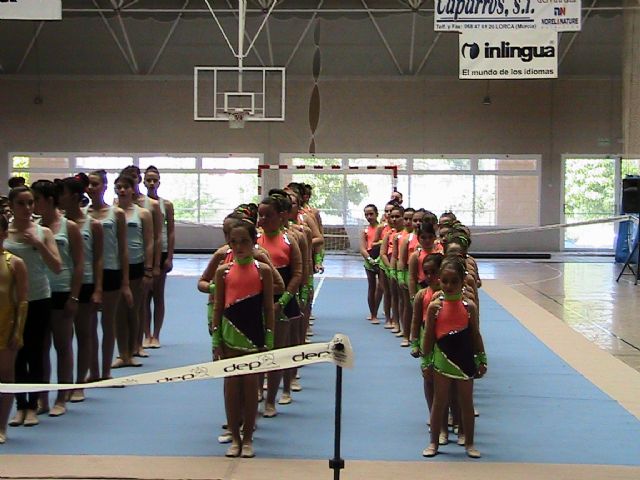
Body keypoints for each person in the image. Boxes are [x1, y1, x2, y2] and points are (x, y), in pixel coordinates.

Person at [211, 219, 274, 458]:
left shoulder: (263, 270)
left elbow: (268, 308)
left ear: (254, 242)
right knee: (231, 390)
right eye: (234, 242)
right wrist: (216, 340)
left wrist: (269, 339)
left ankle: (247, 438)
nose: (239, 247)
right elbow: (218, 307)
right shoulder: (223, 271)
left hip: (253, 337)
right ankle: (235, 438)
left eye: (244, 241)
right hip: (229, 336)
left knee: (250, 389)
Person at [5, 186, 61, 427]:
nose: (27, 208)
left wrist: (39, 244)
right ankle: (20, 406)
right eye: (21, 203)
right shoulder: (5, 233)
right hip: (10, 301)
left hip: (38, 298)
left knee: (36, 352)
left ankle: (33, 406)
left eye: (31, 203)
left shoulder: (43, 232)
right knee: (15, 353)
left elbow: (57, 266)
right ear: (11, 206)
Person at [421, 255, 487, 458]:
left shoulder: (469, 307)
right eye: (445, 281)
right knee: (439, 402)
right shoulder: (435, 307)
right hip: (442, 358)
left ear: (462, 281)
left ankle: (469, 442)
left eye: (454, 282)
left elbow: (475, 334)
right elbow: (429, 336)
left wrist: (481, 358)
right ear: (439, 280)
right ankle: (433, 442)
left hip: (464, 359)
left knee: (466, 402)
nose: (449, 286)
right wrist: (426, 360)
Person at [31, 180, 84, 417]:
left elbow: (79, 263)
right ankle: (42, 397)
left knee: (62, 345)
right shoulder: (33, 228)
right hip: (39, 293)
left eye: (36, 200)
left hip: (62, 291)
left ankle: (62, 397)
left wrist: (74, 296)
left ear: (50, 200)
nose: (32, 205)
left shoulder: (68, 227)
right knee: (40, 347)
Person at [257, 192, 302, 417]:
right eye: (260, 215)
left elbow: (298, 273)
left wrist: (283, 301)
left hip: (282, 300)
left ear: (280, 216)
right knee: (258, 349)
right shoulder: (254, 240)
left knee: (278, 350)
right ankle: (258, 390)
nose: (262, 220)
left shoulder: (289, 240)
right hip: (257, 300)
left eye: (268, 216)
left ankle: (274, 398)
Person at [59, 175, 104, 400]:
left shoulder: (92, 225)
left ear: (75, 196)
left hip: (86, 283)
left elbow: (98, 259)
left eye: (62, 193)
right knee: (63, 339)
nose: (58, 197)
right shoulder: (55, 224)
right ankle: (64, 384)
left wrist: (98, 289)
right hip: (62, 284)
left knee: (84, 334)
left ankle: (80, 383)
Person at [87, 170, 132, 380]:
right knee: (89, 327)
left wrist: (125, 282)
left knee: (108, 323)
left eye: (95, 184)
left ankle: (106, 372)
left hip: (111, 270)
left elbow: (123, 248)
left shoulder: (116, 214)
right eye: (88, 184)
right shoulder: (82, 214)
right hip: (89, 273)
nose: (91, 188)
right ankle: (93, 371)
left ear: (104, 187)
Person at [111, 174, 153, 368]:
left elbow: (149, 242)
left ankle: (134, 347)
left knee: (133, 308)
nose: (122, 190)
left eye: (125, 187)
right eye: (118, 187)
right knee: (119, 311)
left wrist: (149, 269)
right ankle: (123, 353)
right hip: (116, 265)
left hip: (136, 264)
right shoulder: (111, 213)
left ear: (133, 190)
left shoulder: (142, 214)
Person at [0, 214, 28, 443]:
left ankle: (1, 426)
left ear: (3, 233)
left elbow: (23, 301)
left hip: (6, 326)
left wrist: (18, 332)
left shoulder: (15, 263)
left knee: (6, 377)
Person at [142, 166, 175, 348]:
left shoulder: (166, 205)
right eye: (148, 180)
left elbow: (170, 232)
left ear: (159, 183)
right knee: (144, 296)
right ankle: (146, 334)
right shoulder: (139, 204)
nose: (152, 183)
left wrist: (169, 256)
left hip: (160, 252)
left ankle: (156, 335)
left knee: (158, 295)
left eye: (155, 180)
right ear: (143, 182)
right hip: (144, 252)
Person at [409, 253, 443, 429]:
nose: (429, 276)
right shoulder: (421, 295)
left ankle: (448, 414)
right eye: (426, 272)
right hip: (427, 341)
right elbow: (415, 321)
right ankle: (433, 413)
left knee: (445, 381)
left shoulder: (448, 294)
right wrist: (415, 343)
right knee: (428, 378)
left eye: (434, 272)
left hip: (444, 341)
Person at [360, 204, 383, 324]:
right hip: (370, 259)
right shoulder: (365, 230)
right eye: (366, 215)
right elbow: (362, 248)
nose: (369, 217)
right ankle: (373, 314)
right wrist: (369, 259)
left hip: (381, 259)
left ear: (376, 214)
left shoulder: (383, 228)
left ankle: (376, 310)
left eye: (371, 214)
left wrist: (379, 259)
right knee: (371, 286)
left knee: (381, 287)